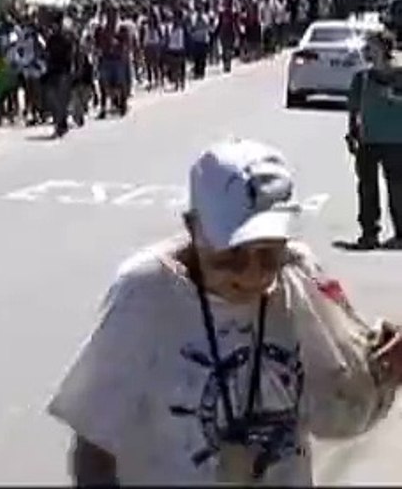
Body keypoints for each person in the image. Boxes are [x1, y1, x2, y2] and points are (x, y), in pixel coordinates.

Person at [49, 138, 402, 485]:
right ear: (193, 227)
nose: (252, 275)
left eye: (267, 254)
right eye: (229, 257)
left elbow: (337, 415)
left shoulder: (298, 276)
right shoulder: (147, 293)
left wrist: (382, 372)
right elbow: (94, 444)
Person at [346, 31, 402, 250]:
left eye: (371, 47)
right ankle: (369, 233)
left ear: (384, 49)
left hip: (396, 140)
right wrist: (351, 134)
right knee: (367, 188)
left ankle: (400, 234)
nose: (367, 51)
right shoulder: (361, 78)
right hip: (368, 140)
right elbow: (354, 109)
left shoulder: (399, 76)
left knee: (398, 188)